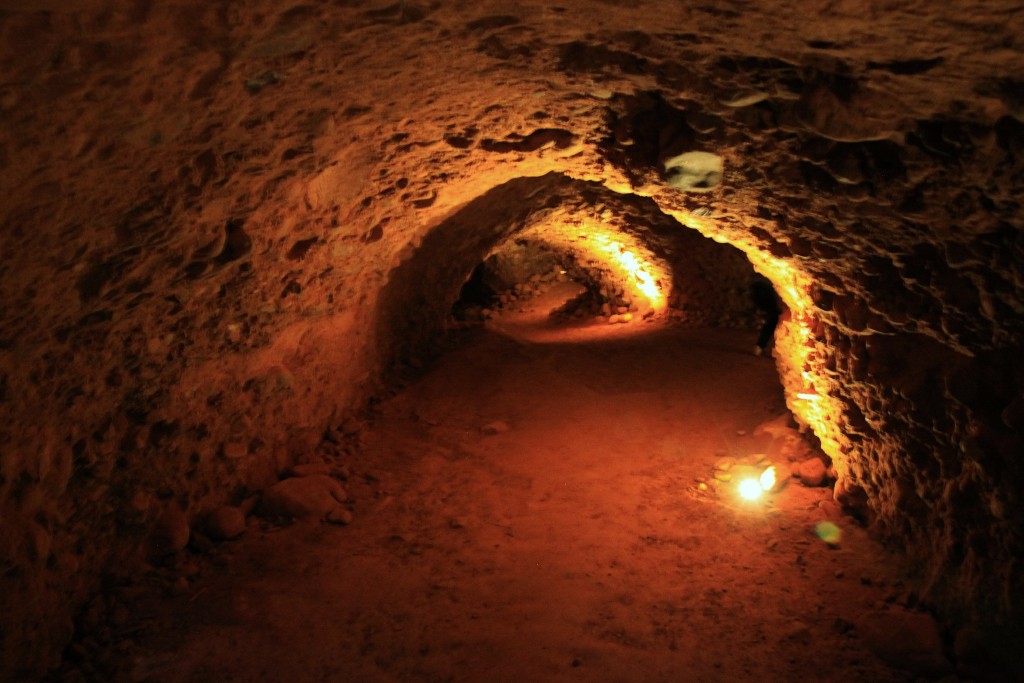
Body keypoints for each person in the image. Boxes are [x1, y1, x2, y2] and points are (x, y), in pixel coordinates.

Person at [750, 274, 781, 356]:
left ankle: (760, 347)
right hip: (766, 286)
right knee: (775, 319)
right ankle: (762, 347)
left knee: (773, 319)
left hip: (761, 285)